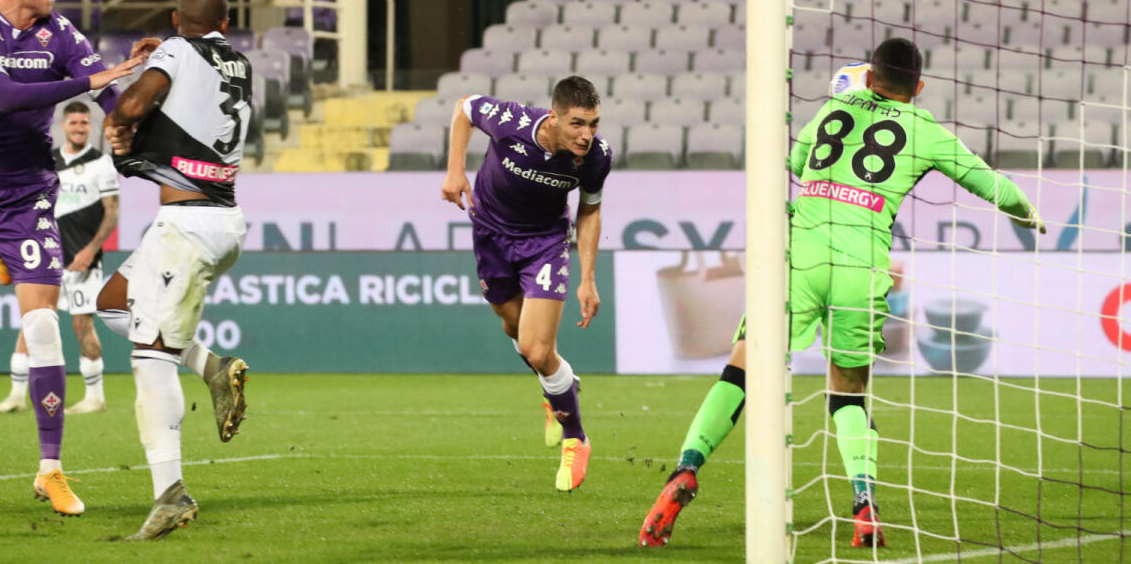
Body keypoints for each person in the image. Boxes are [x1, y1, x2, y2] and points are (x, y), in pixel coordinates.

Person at [638, 37, 1046, 548]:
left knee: (742, 367)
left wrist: (845, 106)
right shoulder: (925, 129)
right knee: (848, 390)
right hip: (861, 266)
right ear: (918, 87)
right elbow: (992, 186)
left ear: (869, 77)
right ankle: (863, 503)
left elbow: (796, 163)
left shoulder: (834, 107)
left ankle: (686, 467)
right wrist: (1028, 214)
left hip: (801, 258)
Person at [0, 0, 139, 516]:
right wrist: (91, 86)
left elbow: (108, 87)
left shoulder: (62, 33)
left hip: (27, 193)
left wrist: (125, 115)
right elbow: (3, 96)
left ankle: (51, 469)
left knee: (44, 322)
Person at [97, 0, 252, 540]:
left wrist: (121, 124)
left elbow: (133, 105)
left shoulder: (178, 49)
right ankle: (212, 367)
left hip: (188, 227)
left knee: (150, 358)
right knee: (112, 305)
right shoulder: (239, 64)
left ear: (173, 18)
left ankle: (170, 495)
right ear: (225, 23)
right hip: (220, 218)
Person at [440, 76, 611, 491]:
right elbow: (464, 107)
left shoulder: (596, 157)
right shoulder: (511, 122)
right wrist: (455, 171)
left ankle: (576, 438)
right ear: (554, 117)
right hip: (491, 236)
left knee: (536, 349)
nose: (586, 135)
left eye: (593, 124)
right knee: (512, 328)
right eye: (577, 124)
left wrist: (588, 278)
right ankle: (558, 389)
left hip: (545, 244)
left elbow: (590, 211)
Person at [0, 102, 120, 415]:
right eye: (74, 122)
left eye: (84, 123)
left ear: (90, 126)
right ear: (63, 125)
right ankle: (16, 395)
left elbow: (112, 212)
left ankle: (95, 397)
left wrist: (91, 250)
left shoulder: (101, 163)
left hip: (82, 259)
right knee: (32, 321)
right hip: (47, 256)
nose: (79, 128)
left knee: (81, 325)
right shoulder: (48, 162)